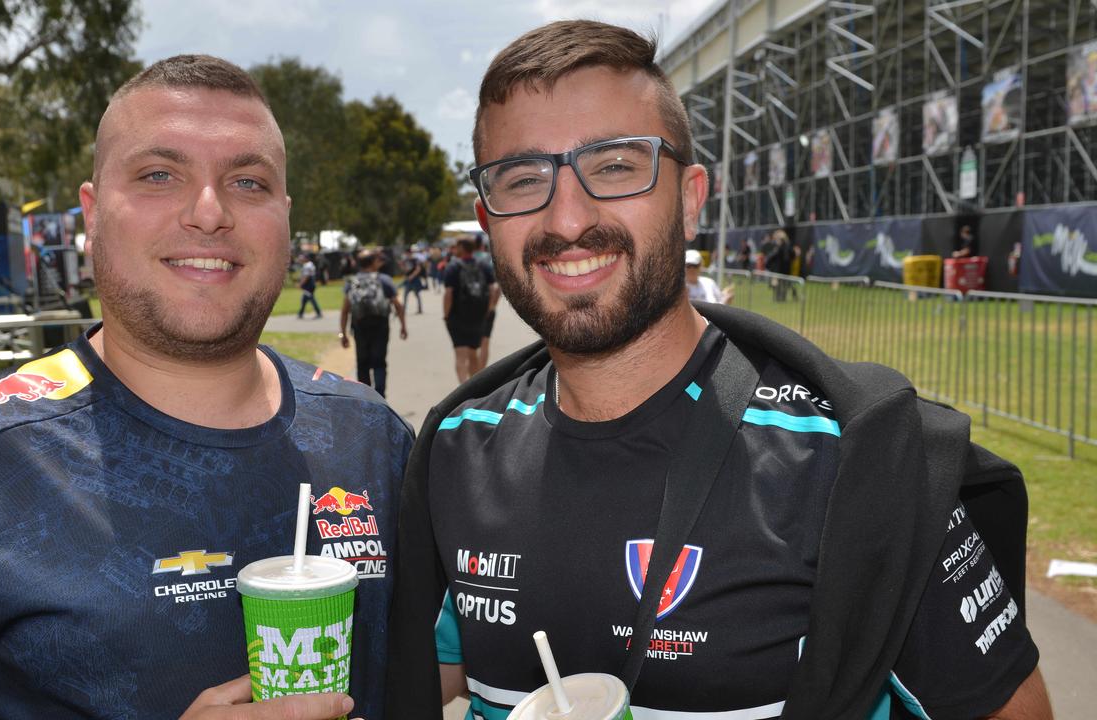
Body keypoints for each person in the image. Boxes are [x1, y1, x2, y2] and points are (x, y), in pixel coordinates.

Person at [385, 21, 1049, 720]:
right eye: (522, 178)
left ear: (692, 198)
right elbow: (421, 675)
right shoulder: (457, 447)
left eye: (614, 165)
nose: (568, 217)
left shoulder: (856, 460)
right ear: (488, 219)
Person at [0, 55, 411, 720]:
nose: (209, 213)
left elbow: (439, 668)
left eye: (249, 181)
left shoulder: (374, 439)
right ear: (92, 214)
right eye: (159, 176)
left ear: (285, 216)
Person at [340, 249, 408, 397]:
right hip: (380, 325)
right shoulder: (384, 280)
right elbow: (398, 305)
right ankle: (380, 397)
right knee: (379, 362)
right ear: (373, 262)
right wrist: (403, 325)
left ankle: (366, 397)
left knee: (362, 363)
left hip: (359, 326)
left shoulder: (352, 282)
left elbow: (345, 310)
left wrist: (343, 333)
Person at [443, 236, 497, 382]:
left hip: (457, 315)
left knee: (460, 354)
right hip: (478, 315)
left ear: (462, 248)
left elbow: (448, 294)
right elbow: (493, 290)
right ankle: (473, 389)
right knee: (473, 352)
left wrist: (446, 315)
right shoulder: (484, 266)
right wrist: (489, 309)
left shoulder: (453, 267)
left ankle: (462, 389)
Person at [472, 235, 502, 372]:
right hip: (487, 305)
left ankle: (470, 375)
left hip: (468, 306)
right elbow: (497, 287)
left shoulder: (464, 260)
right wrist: (493, 305)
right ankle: (479, 374)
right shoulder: (489, 259)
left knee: (469, 345)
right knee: (485, 342)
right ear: (483, 245)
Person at [297, 252, 323, 319]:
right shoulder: (310, 264)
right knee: (304, 299)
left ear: (306, 258)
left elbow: (306, 276)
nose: (301, 259)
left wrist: (300, 284)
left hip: (309, 285)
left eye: (302, 258)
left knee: (311, 299)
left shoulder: (307, 266)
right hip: (310, 285)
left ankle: (318, 313)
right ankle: (300, 313)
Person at [402, 248, 426, 314]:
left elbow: (418, 269)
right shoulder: (405, 260)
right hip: (408, 280)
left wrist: (412, 276)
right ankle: (403, 309)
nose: (407, 255)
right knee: (405, 295)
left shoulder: (415, 260)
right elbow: (405, 270)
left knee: (417, 294)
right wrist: (403, 267)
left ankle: (420, 309)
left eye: (408, 253)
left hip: (415, 279)